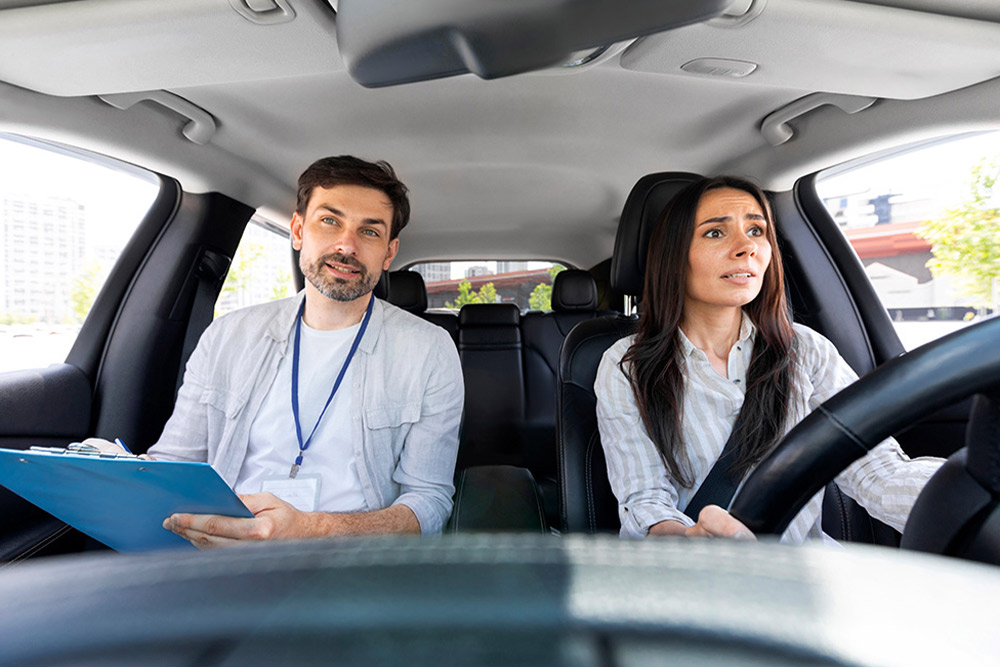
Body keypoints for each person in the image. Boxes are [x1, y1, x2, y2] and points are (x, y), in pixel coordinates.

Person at [595, 176, 943, 543]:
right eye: (715, 233)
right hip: (700, 579)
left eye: (757, 230)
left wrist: (966, 497)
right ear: (673, 254)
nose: (747, 247)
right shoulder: (626, 365)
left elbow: (877, 472)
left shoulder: (807, 351)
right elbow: (645, 498)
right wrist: (686, 540)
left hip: (807, 575)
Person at [149, 156, 464, 547]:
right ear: (298, 230)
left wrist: (312, 529)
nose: (346, 245)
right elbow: (174, 465)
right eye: (329, 221)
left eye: (369, 231)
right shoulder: (227, 336)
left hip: (352, 564)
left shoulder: (429, 351)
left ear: (388, 253)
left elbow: (429, 502)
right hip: (221, 554)